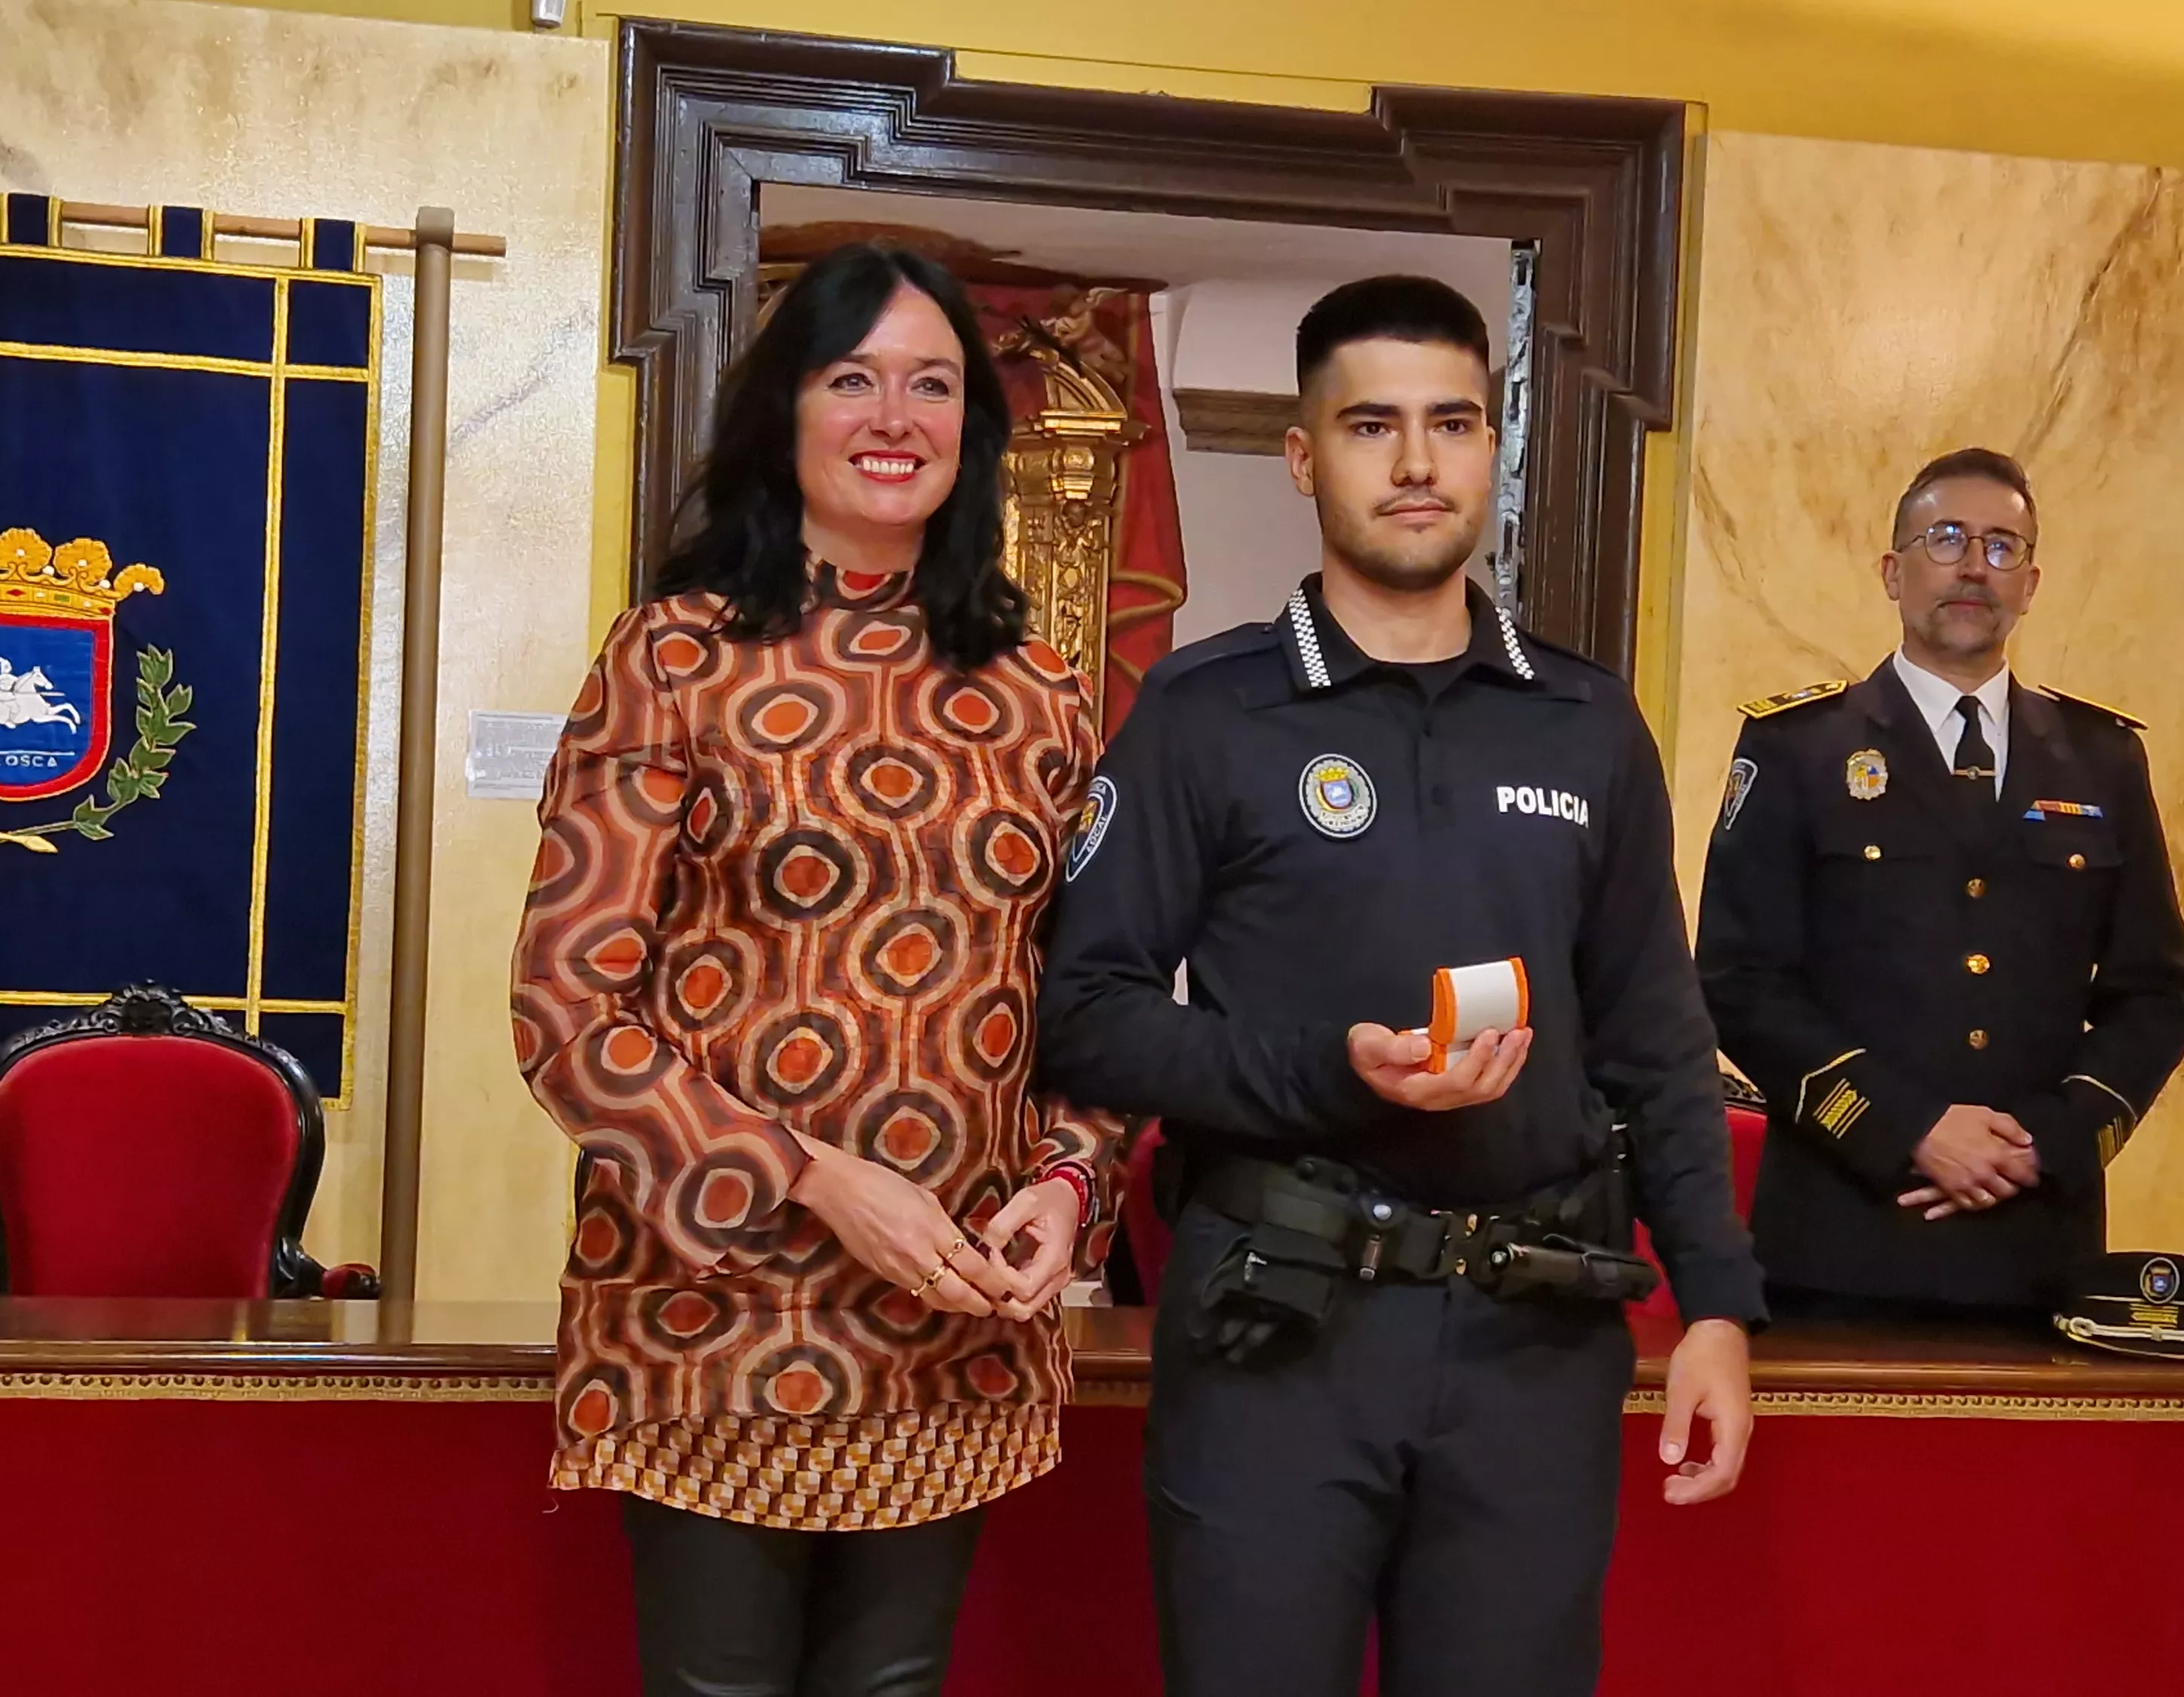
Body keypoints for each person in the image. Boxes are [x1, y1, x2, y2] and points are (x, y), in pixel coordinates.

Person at [1036, 276, 1761, 1697]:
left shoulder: (1587, 719)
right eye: (1372, 425)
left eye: (1453, 423)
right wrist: (1326, 1069)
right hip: (1278, 1333)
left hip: (1534, 1344)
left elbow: (1659, 1043)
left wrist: (1719, 1310)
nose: (1418, 463)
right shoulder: (1206, 711)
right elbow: (1089, 1011)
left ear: (1495, 448)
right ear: (1305, 459)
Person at [509, 244, 1123, 1697]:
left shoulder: (1039, 694)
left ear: (974, 426)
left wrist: (1069, 1181)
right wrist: (812, 1174)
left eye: (934, 382)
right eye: (853, 378)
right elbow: (566, 1010)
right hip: (722, 1314)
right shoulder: (673, 658)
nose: (894, 414)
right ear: (784, 412)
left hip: (953, 1323)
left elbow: (1088, 1000)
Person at [1697, 447, 2184, 1320]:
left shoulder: (2101, 757)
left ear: (2032, 583)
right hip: (1840, 1239)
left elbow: (2155, 993)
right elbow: (1739, 980)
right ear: (1893, 572)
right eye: (1946, 538)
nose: (1975, 565)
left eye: (2002, 546)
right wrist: (1908, 1129)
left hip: (2036, 1241)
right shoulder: (1797, 747)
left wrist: (2049, 1139)